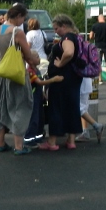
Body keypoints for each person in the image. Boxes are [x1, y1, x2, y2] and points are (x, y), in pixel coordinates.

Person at [0, 3, 38, 154]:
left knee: (0, 107)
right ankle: (19, 146)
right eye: (23, 18)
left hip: (2, 73)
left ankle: (0, 143)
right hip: (17, 74)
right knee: (21, 106)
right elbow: (28, 56)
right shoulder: (17, 32)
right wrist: (36, 61)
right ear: (18, 16)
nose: (23, 21)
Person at [39, 14, 83, 150]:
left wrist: (60, 64)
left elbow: (69, 52)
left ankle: (52, 142)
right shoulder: (77, 37)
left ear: (64, 26)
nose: (55, 31)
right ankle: (71, 140)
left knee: (56, 108)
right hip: (73, 77)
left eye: (56, 28)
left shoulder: (68, 37)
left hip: (62, 79)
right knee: (72, 107)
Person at [75, 78, 105, 143]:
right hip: (85, 85)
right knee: (83, 109)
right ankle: (86, 132)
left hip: (81, 85)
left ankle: (96, 125)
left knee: (78, 109)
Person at [89, 15, 106, 84]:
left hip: (98, 46)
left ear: (98, 19)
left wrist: (94, 37)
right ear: (104, 18)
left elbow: (91, 36)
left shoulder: (94, 26)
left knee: (98, 62)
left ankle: (100, 79)